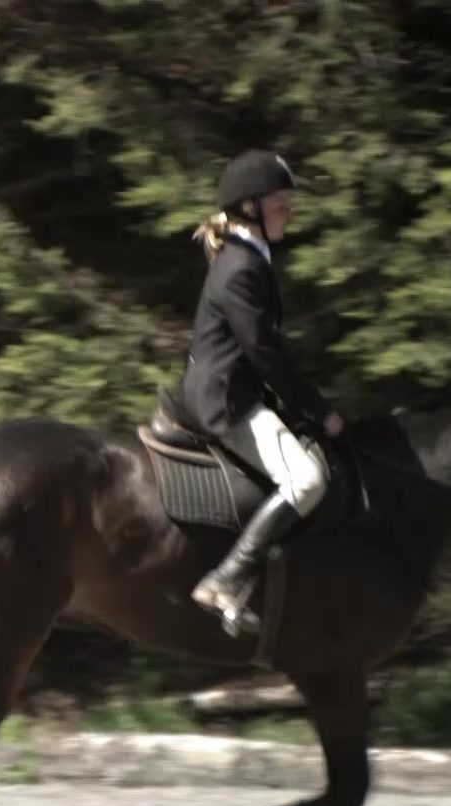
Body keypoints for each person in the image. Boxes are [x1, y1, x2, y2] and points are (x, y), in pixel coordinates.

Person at [177, 148, 345, 636]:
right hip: (226, 401)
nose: (288, 211)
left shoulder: (248, 256)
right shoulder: (242, 267)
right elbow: (265, 354)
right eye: (279, 203)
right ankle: (227, 579)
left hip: (234, 389)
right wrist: (318, 409)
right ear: (249, 207)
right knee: (309, 480)